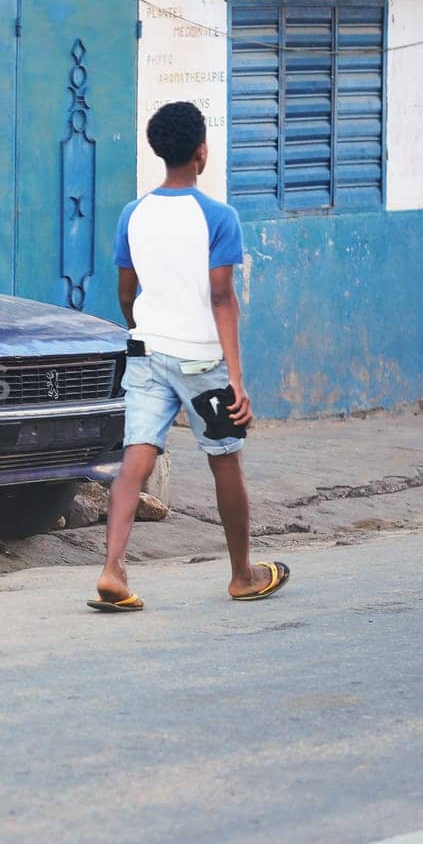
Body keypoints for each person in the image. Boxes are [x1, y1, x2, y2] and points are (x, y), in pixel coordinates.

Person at [90, 101, 289, 612]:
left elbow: (126, 289)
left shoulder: (133, 214)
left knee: (135, 459)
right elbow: (222, 298)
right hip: (203, 363)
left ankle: (113, 569)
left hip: (147, 351)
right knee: (226, 462)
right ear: (202, 153)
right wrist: (238, 382)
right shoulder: (219, 217)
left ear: (160, 152)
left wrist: (140, 328)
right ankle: (242, 575)